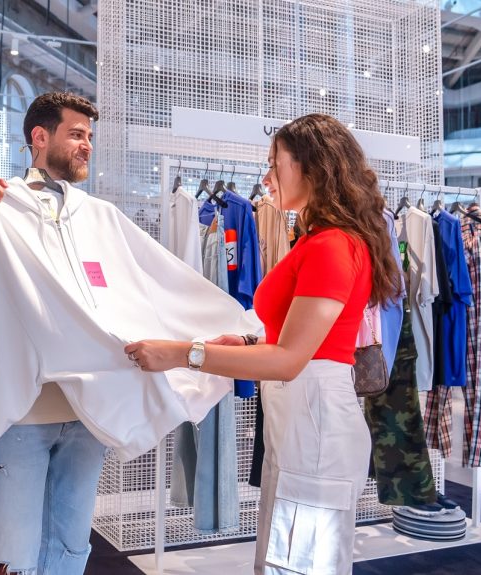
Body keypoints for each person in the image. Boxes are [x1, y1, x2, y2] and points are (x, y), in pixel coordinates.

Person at [126, 113, 402, 575]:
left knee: (298, 564)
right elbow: (303, 337)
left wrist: (180, 354)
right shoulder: (321, 240)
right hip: (302, 420)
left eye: (275, 164)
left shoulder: (332, 246)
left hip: (315, 423)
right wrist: (249, 340)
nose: (267, 177)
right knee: (285, 560)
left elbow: (291, 359)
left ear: (312, 168)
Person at [0, 92, 106, 575]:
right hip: (19, 413)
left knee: (71, 552)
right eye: (77, 134)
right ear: (40, 137)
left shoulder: (93, 218)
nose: (87, 145)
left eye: (89, 136)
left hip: (86, 414)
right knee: (13, 560)